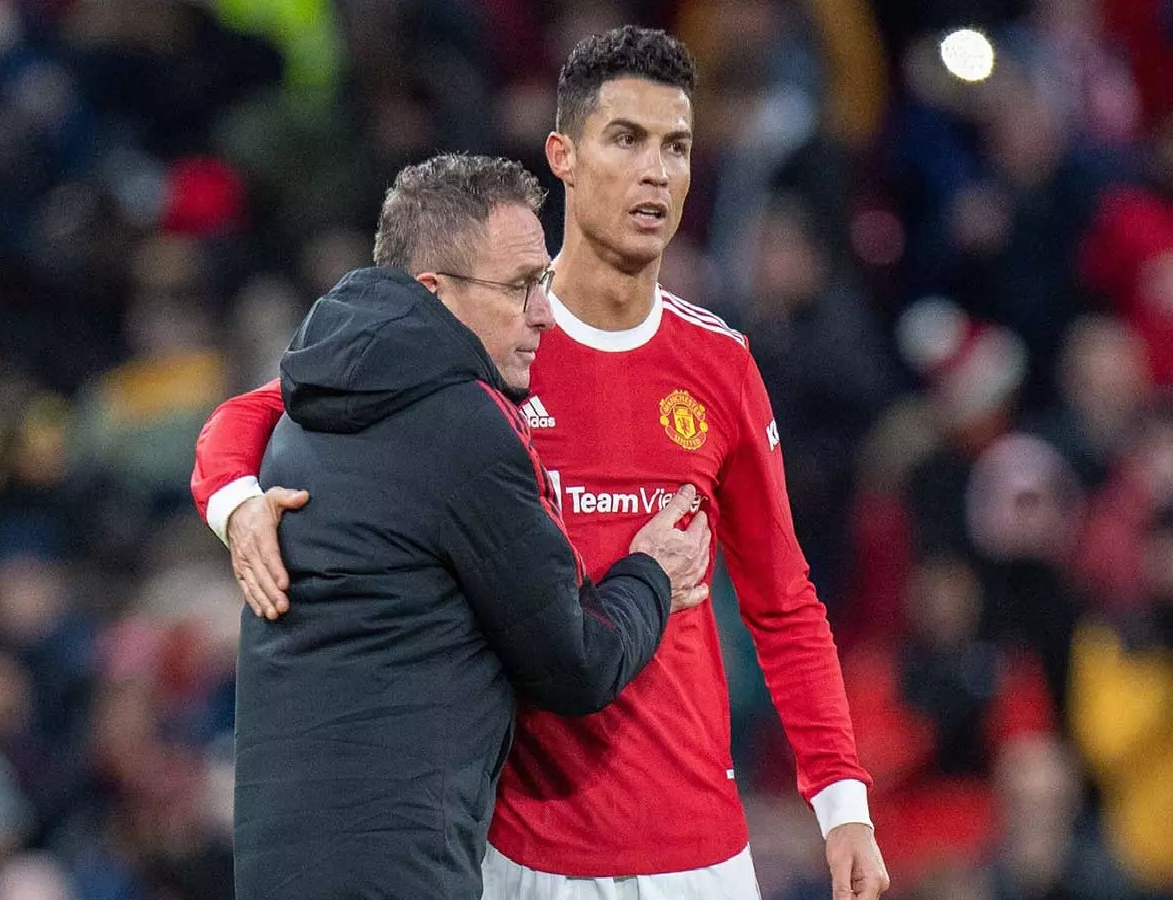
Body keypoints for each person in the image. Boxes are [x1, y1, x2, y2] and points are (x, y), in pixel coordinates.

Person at [192, 27, 890, 900]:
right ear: (563, 156)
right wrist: (237, 501)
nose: (655, 173)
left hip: (697, 850)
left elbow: (783, 602)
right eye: (626, 139)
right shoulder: (491, 340)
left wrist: (842, 802)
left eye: (675, 147)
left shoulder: (720, 364)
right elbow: (259, 408)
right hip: (519, 850)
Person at [221, 153, 712, 900]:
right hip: (393, 874)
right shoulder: (460, 426)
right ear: (434, 292)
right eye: (520, 287)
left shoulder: (305, 409)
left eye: (543, 282)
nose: (543, 312)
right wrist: (652, 575)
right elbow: (577, 662)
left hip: (278, 866)